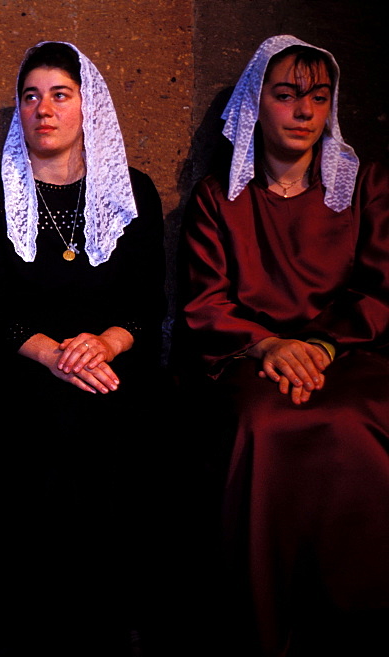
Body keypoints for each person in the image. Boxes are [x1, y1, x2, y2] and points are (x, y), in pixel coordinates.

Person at [182, 35, 389, 655]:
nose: (303, 111)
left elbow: (382, 290)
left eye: (318, 98)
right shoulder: (222, 199)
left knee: (360, 420)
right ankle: (265, 627)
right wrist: (269, 347)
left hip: (347, 357)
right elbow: (206, 303)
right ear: (256, 105)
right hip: (250, 363)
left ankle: (361, 623)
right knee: (262, 426)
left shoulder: (365, 187)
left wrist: (321, 347)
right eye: (287, 95)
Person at [0, 41, 165, 653]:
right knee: (47, 426)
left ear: (88, 107)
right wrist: (52, 353)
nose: (43, 110)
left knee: (126, 423)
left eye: (60, 95)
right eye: (30, 97)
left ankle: (110, 621)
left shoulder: (132, 191)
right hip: (20, 365)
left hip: (111, 364)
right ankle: (33, 625)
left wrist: (104, 342)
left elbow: (145, 301)